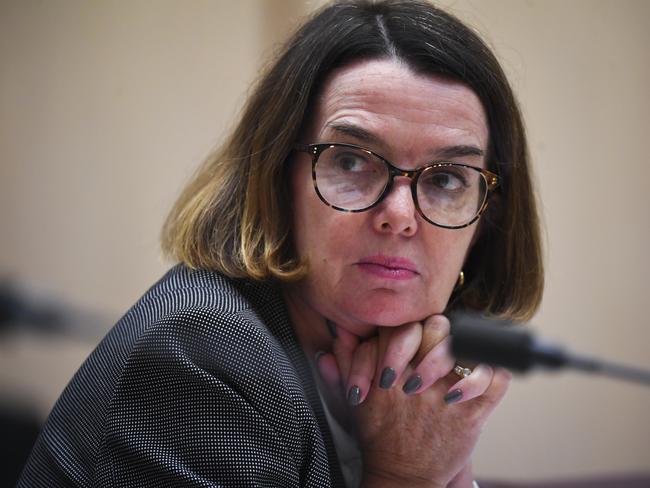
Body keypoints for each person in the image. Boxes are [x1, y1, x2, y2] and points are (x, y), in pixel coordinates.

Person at [18, 0, 543, 486]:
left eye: (447, 178)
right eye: (352, 161)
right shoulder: (200, 359)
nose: (400, 216)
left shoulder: (413, 370)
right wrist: (407, 476)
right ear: (276, 175)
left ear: (487, 215)